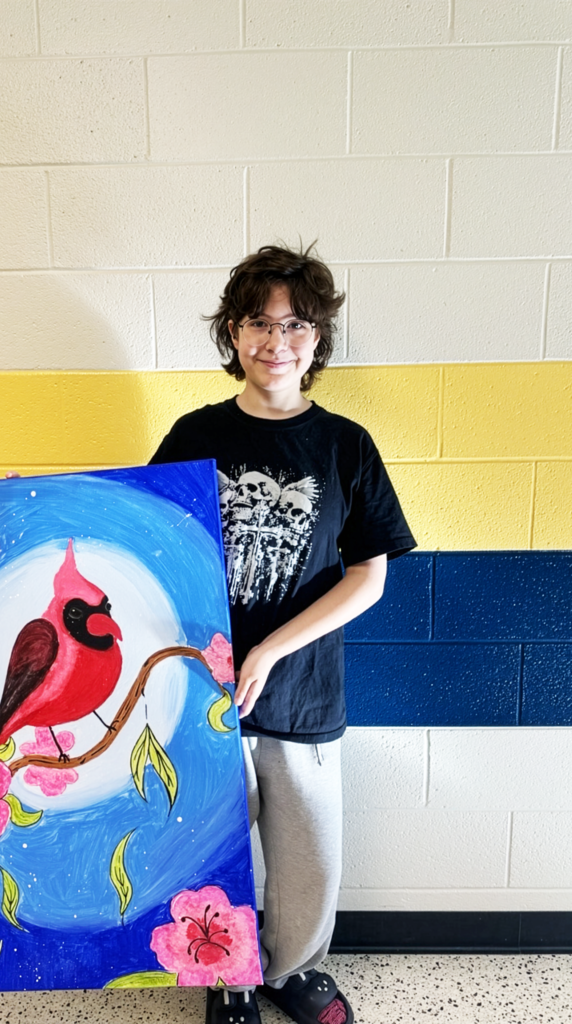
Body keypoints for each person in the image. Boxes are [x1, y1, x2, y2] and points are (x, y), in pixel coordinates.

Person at [149, 244, 416, 1024]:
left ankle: (291, 971)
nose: (276, 340)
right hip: (205, 693)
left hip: (301, 693)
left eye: (294, 324)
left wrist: (269, 648)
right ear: (233, 335)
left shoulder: (345, 446)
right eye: (258, 323)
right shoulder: (193, 433)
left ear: (317, 339)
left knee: (308, 858)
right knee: (213, 848)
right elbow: (149, 544)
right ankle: (228, 978)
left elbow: (369, 577)